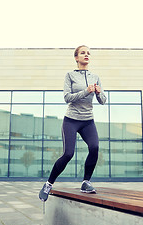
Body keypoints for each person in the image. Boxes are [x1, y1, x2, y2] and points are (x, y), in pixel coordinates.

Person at [39, 45, 107, 202]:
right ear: (76, 58)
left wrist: (97, 92)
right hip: (71, 120)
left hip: (88, 121)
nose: (86, 55)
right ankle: (49, 184)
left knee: (95, 147)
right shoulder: (70, 75)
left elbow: (103, 101)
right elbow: (67, 98)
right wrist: (86, 91)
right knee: (68, 154)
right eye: (83, 53)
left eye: (88, 53)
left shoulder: (95, 77)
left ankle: (86, 182)